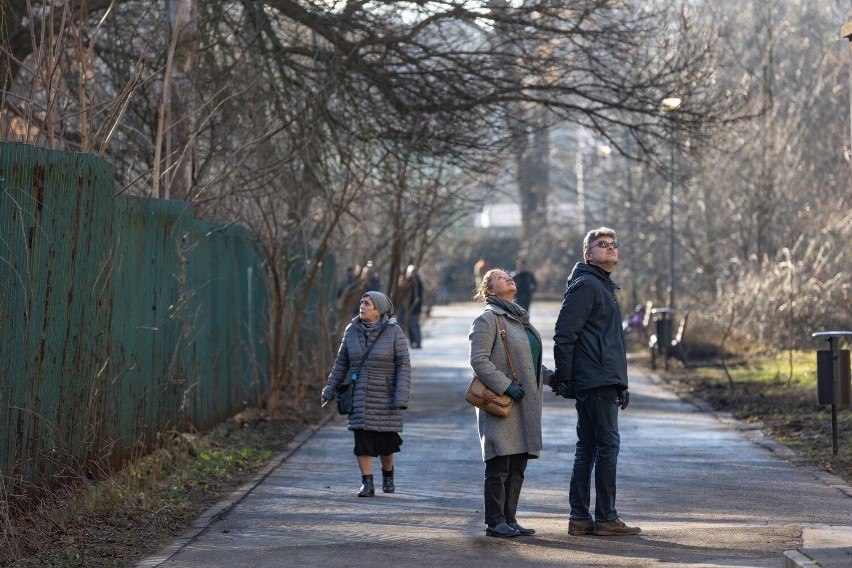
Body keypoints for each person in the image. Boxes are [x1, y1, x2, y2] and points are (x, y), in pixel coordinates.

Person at [550, 227, 640, 537]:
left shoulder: (603, 286)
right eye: (603, 245)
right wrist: (565, 378)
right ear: (588, 254)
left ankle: (580, 518)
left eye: (614, 244)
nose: (611, 248)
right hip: (595, 380)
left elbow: (610, 342)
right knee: (606, 447)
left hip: (603, 379)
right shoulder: (587, 285)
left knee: (588, 447)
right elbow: (564, 335)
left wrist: (621, 382)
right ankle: (605, 517)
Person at [469, 268, 553, 538]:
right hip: (500, 402)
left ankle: (510, 519)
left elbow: (530, 365)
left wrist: (552, 378)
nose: (508, 278)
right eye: (500, 277)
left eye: (508, 275)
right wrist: (505, 385)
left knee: (518, 464)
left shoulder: (520, 320)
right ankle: (494, 522)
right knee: (499, 464)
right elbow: (479, 361)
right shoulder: (488, 320)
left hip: (525, 405)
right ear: (490, 291)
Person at [321, 291, 411, 497]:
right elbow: (340, 364)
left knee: (386, 443)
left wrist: (400, 397)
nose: (362, 306)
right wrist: (328, 390)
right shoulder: (351, 331)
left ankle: (388, 475)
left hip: (386, 396)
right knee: (362, 441)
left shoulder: (394, 331)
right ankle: (367, 483)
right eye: (361, 303)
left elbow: (403, 366)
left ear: (378, 310)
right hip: (359, 394)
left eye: (367, 304)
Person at [400, 264, 424, 348]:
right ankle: (412, 343)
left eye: (414, 272)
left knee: (413, 325)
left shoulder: (417, 283)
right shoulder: (407, 281)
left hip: (414, 309)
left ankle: (417, 343)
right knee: (409, 326)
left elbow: (417, 297)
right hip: (406, 309)